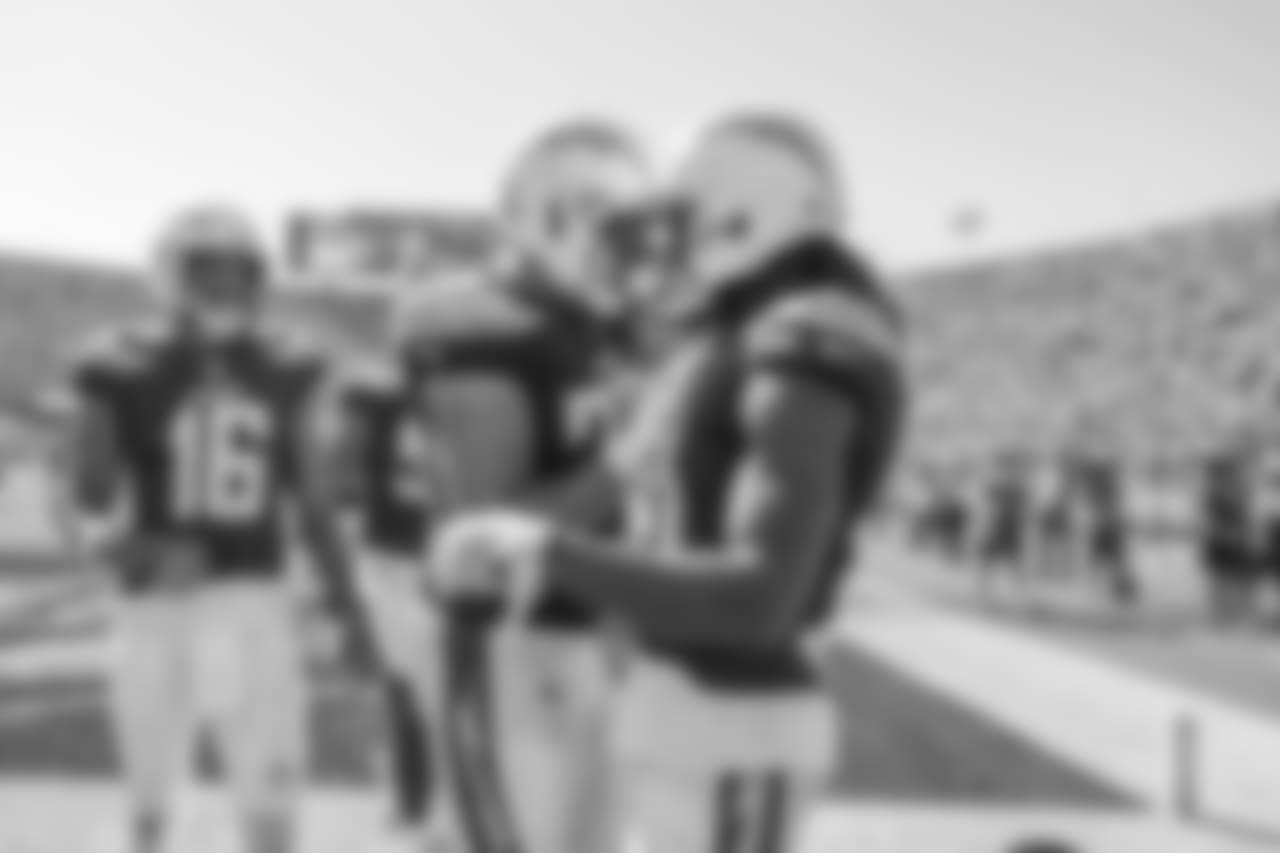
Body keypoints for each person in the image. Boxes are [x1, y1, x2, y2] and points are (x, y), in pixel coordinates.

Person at [429, 111, 908, 853]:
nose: (660, 247)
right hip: (688, 713)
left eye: (680, 221)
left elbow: (759, 599)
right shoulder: (731, 336)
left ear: (745, 212)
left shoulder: (805, 333)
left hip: (736, 720)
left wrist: (550, 552)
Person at [56, 206, 371, 853]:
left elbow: (315, 504)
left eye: (239, 270)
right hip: (158, 608)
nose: (225, 284)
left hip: (248, 603)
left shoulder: (291, 363)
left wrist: (348, 608)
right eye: (206, 269)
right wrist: (131, 550)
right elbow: (84, 501)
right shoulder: (117, 363)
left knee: (268, 811)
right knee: (153, 810)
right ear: (168, 276)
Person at [392, 119, 661, 853]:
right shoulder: (481, 321)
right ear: (554, 217)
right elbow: (484, 542)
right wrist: (634, 458)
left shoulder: (599, 329)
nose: (639, 258)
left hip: (590, 636)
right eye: (623, 234)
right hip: (506, 641)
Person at [334, 350, 460, 835]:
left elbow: (341, 465)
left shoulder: (374, 397)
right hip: (430, 551)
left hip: (402, 553)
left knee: (410, 685)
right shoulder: (471, 395)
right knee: (427, 685)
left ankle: (417, 801)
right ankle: (422, 800)